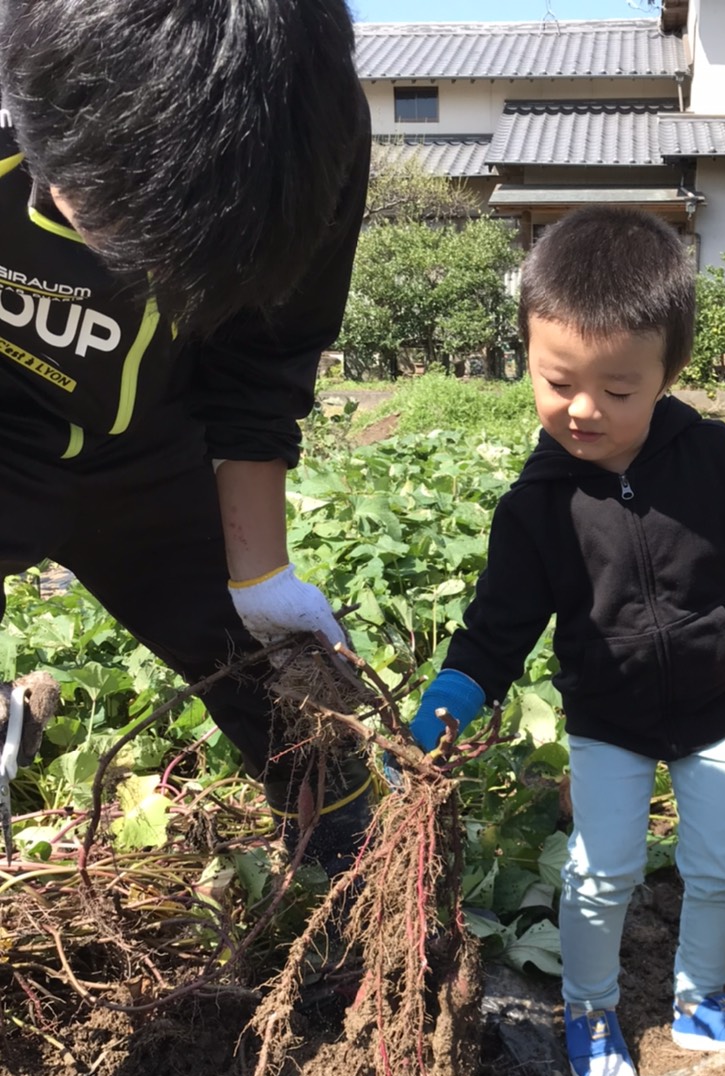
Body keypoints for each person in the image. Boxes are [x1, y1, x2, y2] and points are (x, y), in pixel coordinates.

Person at [409, 206, 725, 1076]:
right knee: (604, 875)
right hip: (609, 719)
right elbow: (498, 628)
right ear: (527, 353)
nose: (584, 410)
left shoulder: (716, 459)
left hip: (718, 709)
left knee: (724, 864)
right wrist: (455, 692)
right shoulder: (537, 508)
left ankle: (700, 1001)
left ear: (670, 373)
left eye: (620, 390)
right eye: (558, 382)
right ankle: (591, 1010)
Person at [0, 0, 373, 874]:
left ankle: (352, 900)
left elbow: (265, 360)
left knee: (286, 696)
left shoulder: (302, 131)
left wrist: (264, 581)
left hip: (152, 441)